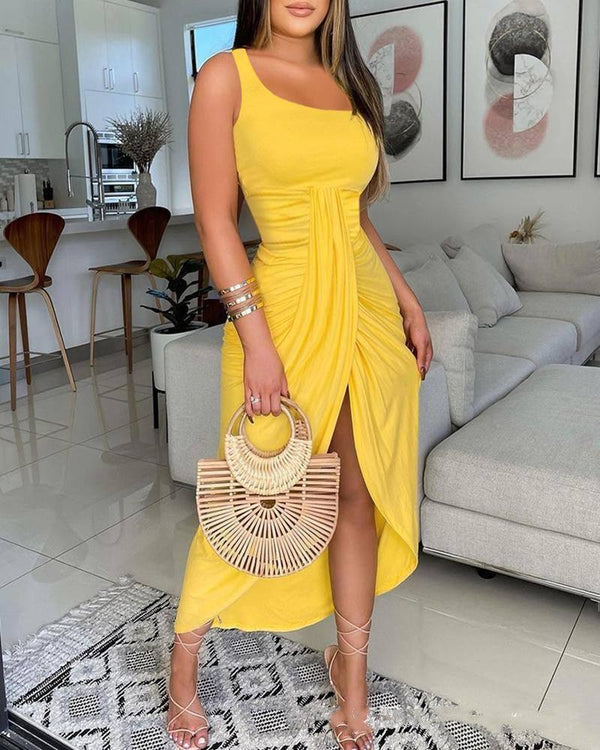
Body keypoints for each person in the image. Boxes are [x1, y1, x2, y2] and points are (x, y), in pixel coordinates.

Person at [166, 1, 433, 748]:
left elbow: (355, 215)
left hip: (366, 311)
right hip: (279, 310)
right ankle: (183, 660)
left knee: (358, 493)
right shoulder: (226, 77)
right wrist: (255, 338)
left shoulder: (352, 84)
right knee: (254, 492)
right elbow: (216, 219)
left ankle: (352, 677)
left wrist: (408, 299)